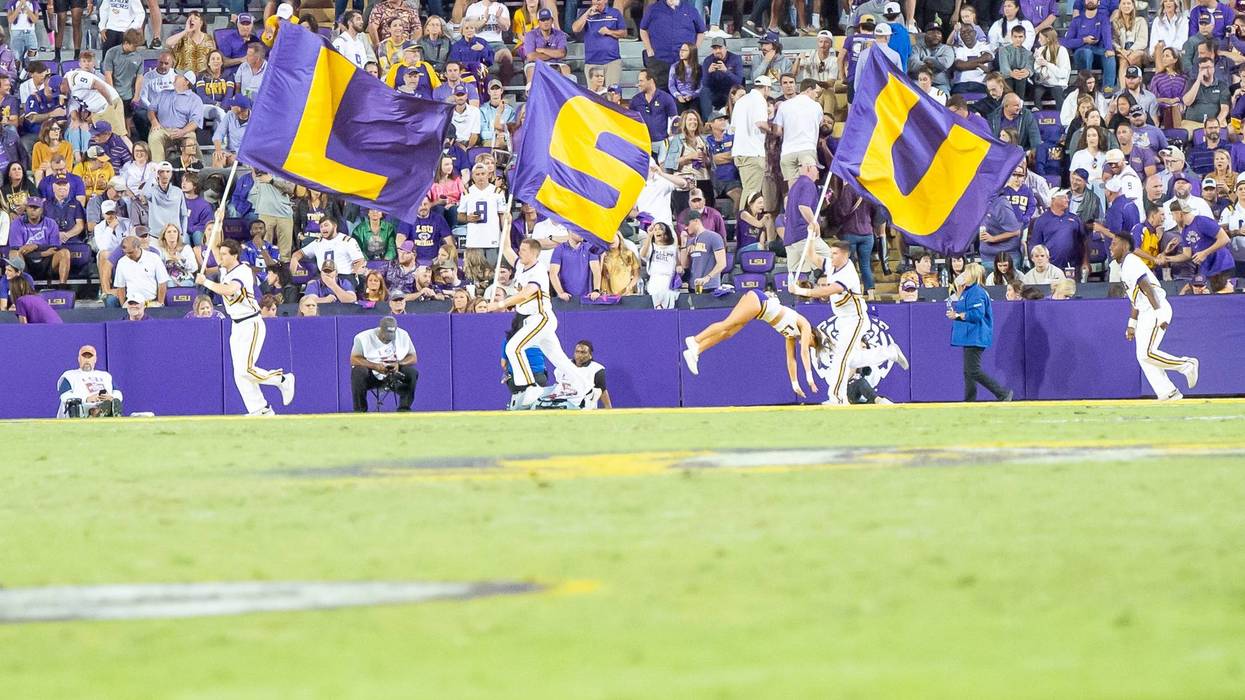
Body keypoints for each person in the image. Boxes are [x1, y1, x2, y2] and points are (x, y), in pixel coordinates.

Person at [791, 239, 909, 404]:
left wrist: (801, 290)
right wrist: (811, 237)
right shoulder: (832, 265)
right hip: (843, 319)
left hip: (856, 319)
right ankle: (890, 352)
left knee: (841, 357)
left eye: (835, 253)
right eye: (831, 253)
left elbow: (828, 290)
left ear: (845, 255)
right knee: (852, 359)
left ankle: (837, 397)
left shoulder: (848, 273)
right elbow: (812, 256)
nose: (831, 256)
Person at [195, 238, 295, 416]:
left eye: (225, 254)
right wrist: (219, 218)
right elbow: (217, 243)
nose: (221, 256)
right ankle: (260, 409)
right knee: (239, 373)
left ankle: (282, 379)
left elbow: (229, 290)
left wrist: (206, 282)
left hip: (251, 322)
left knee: (247, 369)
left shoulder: (242, 271)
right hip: (237, 324)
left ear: (234, 255)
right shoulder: (226, 268)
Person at [490, 233, 586, 409]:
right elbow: (505, 248)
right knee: (559, 358)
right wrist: (508, 223)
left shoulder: (539, 270)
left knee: (514, 347)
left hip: (541, 318)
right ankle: (585, 386)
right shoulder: (521, 266)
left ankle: (531, 387)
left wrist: (500, 304)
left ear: (534, 253)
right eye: (520, 249)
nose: (520, 252)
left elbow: (526, 293)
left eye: (524, 250)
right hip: (531, 321)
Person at [1108, 232, 1200, 400]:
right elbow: (1136, 297)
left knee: (1147, 353)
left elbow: (1147, 288)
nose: (1110, 247)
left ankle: (1186, 365)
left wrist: (1159, 314)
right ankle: (1168, 392)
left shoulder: (1131, 262)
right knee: (1142, 356)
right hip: (1146, 310)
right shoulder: (1126, 265)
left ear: (1125, 246)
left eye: (1114, 243)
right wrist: (1132, 323)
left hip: (1155, 308)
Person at [682, 287, 821, 398]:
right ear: (813, 335)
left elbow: (791, 359)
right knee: (727, 324)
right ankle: (695, 340)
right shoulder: (805, 325)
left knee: (727, 333)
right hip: (759, 302)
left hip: (758, 309)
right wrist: (810, 379)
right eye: (811, 343)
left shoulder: (791, 336)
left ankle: (695, 351)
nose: (806, 345)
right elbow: (804, 353)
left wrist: (795, 384)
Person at [947, 262, 1013, 402]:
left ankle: (1002, 393)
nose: (963, 275)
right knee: (968, 372)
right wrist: (959, 293)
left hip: (975, 335)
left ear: (972, 275)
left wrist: (958, 315)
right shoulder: (967, 291)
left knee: (973, 370)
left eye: (966, 272)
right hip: (970, 336)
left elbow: (977, 314)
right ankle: (970, 400)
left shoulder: (977, 292)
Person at [350, 315, 419, 412]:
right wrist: (375, 366)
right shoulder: (363, 337)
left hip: (394, 375)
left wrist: (399, 364)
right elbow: (354, 359)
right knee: (358, 371)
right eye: (386, 336)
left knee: (412, 372)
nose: (388, 339)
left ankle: (404, 410)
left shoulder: (403, 335)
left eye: (391, 335)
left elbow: (413, 357)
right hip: (372, 374)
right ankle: (360, 411)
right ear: (380, 330)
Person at [57, 345, 124, 418]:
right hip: (81, 409)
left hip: (104, 403)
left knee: (111, 403)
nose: (87, 360)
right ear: (79, 359)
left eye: (90, 357)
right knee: (79, 406)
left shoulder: (105, 376)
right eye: (84, 357)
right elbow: (65, 397)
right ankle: (97, 413)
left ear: (95, 359)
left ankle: (105, 411)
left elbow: (118, 393)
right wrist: (87, 399)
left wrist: (111, 397)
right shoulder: (69, 375)